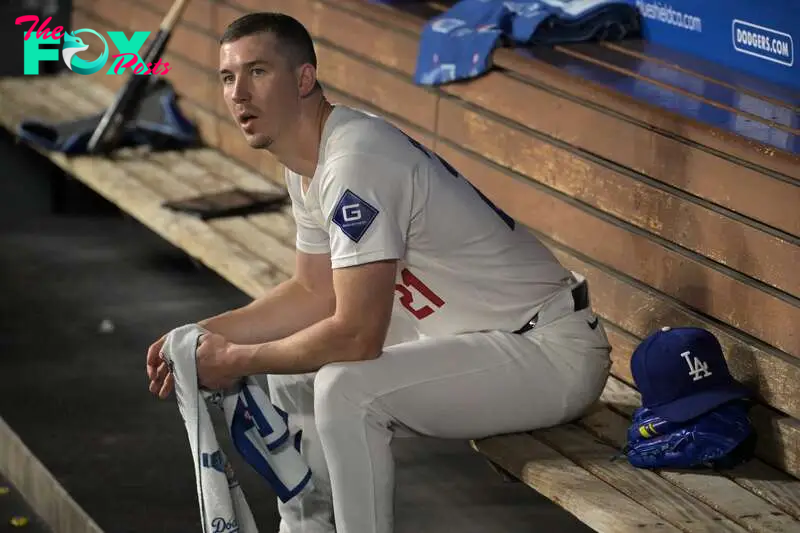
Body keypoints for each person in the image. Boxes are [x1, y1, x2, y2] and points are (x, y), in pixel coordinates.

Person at [145, 12, 612, 533]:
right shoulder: (311, 162)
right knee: (298, 365)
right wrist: (204, 334)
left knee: (346, 387)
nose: (238, 93)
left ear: (303, 79)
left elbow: (358, 334)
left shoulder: (353, 162)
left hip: (547, 352)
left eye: (257, 72)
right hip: (479, 336)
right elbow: (313, 291)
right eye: (228, 77)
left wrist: (237, 359)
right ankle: (307, 527)